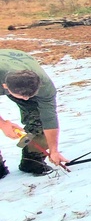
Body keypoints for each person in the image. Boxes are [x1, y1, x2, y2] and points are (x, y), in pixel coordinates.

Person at [0, 49, 70, 177]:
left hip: (17, 65)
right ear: (5, 87)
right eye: (22, 96)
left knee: (38, 115)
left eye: (30, 95)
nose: (26, 99)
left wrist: (54, 150)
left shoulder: (44, 86)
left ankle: (32, 159)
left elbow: (49, 118)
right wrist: (3, 123)